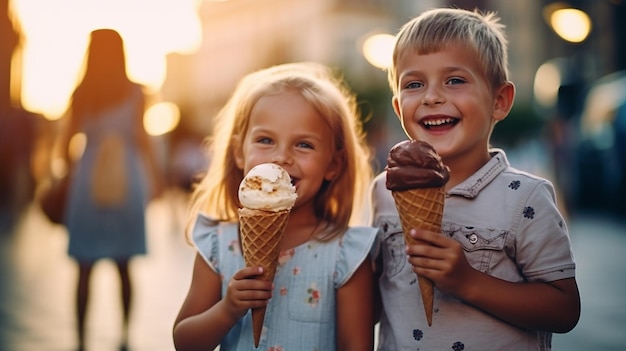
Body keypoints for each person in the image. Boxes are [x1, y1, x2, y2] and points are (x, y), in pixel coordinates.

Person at [369, 8, 580, 350]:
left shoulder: (525, 198)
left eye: (455, 80)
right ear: (398, 106)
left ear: (499, 100)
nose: (432, 96)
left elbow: (565, 309)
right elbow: (378, 299)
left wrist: (468, 282)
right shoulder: (383, 189)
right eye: (414, 84)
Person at [173, 62, 378, 351]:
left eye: (304, 145)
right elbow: (184, 342)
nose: (282, 156)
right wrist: (228, 309)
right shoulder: (219, 245)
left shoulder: (347, 253)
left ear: (333, 164)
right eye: (265, 140)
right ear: (238, 152)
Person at [59, 28, 163, 351]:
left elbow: (66, 145)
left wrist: (67, 174)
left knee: (83, 267)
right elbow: (143, 139)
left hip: (87, 181)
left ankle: (79, 339)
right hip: (126, 180)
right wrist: (156, 178)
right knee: (125, 265)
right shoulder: (135, 92)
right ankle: (124, 335)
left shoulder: (81, 92)